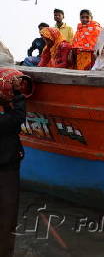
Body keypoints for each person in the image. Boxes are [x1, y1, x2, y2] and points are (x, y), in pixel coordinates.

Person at [0, 78, 26, 257]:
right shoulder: (6, 122)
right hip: (6, 170)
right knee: (7, 217)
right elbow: (17, 119)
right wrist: (17, 95)